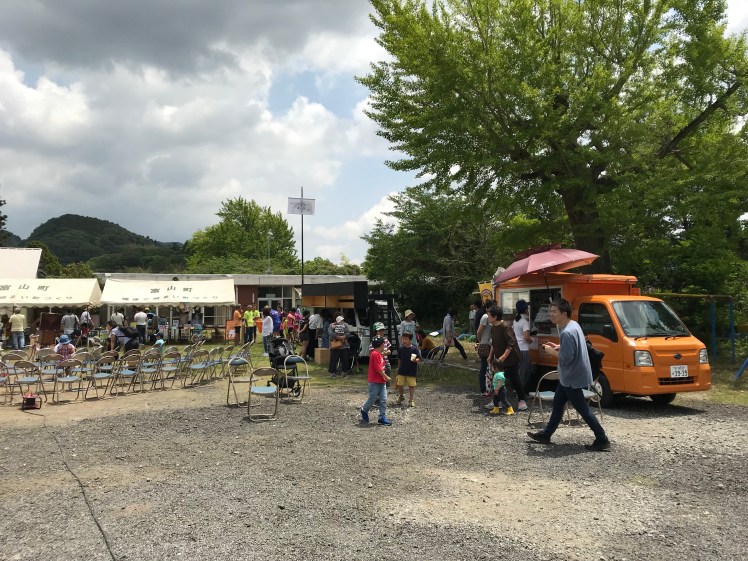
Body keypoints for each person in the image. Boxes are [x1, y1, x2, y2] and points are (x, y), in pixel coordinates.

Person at [528, 299, 611, 451]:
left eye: (554, 312)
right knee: (558, 405)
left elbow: (566, 359)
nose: (551, 314)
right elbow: (576, 345)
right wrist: (559, 346)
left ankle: (602, 438)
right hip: (569, 377)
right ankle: (546, 434)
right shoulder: (574, 325)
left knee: (583, 410)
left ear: (564, 314)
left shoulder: (566, 332)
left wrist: (551, 351)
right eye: (550, 311)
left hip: (571, 377)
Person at [487, 306, 528, 411]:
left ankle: (522, 400)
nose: (488, 317)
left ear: (495, 317)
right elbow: (493, 343)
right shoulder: (493, 328)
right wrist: (490, 356)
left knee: (515, 379)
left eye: (489, 315)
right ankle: (497, 401)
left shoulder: (505, 326)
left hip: (510, 358)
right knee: (497, 379)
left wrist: (504, 356)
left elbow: (511, 343)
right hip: (499, 359)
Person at [360, 336, 392, 426]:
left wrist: (383, 354)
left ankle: (382, 416)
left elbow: (380, 363)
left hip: (381, 381)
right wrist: (386, 377)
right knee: (372, 398)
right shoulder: (375, 354)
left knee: (383, 399)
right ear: (382, 345)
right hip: (374, 381)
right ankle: (364, 410)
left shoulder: (378, 354)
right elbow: (378, 369)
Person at [395, 332, 421, 407]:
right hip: (402, 370)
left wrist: (415, 360)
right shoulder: (401, 349)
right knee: (400, 384)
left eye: (406, 339)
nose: (404, 340)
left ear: (410, 340)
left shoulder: (414, 349)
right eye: (403, 339)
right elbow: (399, 359)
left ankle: (411, 400)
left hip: (411, 370)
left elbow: (419, 358)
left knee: (411, 386)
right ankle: (401, 396)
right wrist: (398, 368)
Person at [513, 299, 533, 390]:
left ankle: (516, 388)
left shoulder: (516, 320)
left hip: (517, 348)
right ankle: (519, 391)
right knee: (524, 370)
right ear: (525, 309)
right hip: (524, 349)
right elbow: (526, 337)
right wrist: (531, 340)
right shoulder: (524, 321)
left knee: (518, 370)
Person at [475, 299, 494, 395]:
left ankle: (489, 388)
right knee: (484, 366)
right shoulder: (485, 316)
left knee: (489, 367)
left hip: (490, 344)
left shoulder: (492, 317)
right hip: (485, 344)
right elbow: (479, 332)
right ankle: (483, 389)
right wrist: (480, 341)